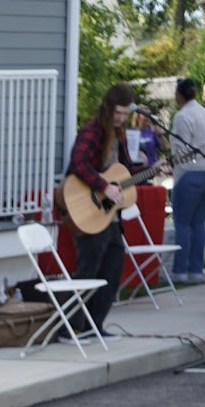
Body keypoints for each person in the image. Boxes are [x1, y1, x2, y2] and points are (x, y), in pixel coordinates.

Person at [65, 83, 140, 328]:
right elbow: (78, 162)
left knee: (112, 269)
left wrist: (153, 169)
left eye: (125, 114)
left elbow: (125, 171)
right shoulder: (93, 131)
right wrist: (103, 186)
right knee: (88, 271)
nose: (121, 119)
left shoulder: (119, 135)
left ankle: (94, 326)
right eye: (117, 113)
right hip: (89, 208)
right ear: (108, 108)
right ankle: (73, 327)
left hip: (110, 216)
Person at [168, 77, 205, 285]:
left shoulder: (182, 116)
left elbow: (181, 151)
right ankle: (196, 269)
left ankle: (181, 270)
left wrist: (171, 159)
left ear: (178, 95)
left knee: (182, 222)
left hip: (190, 173)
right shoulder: (204, 113)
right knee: (199, 221)